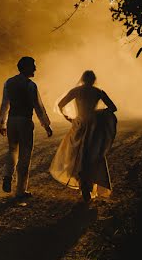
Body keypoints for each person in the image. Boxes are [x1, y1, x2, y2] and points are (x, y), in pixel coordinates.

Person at [49, 70, 118, 202]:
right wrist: (99, 113)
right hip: (94, 126)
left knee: (76, 154)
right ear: (93, 80)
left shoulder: (76, 91)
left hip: (80, 124)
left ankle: (83, 186)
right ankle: (88, 186)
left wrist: (69, 118)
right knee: (92, 155)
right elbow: (113, 108)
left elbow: (60, 104)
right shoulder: (98, 92)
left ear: (82, 79)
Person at [0, 56, 53, 198]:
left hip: (12, 120)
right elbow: (38, 107)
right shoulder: (30, 85)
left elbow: (5, 104)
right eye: (33, 66)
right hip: (25, 121)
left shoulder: (9, 83)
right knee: (25, 154)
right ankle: (21, 190)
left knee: (12, 150)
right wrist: (46, 125)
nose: (35, 68)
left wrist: (2, 123)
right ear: (26, 67)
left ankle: (7, 175)